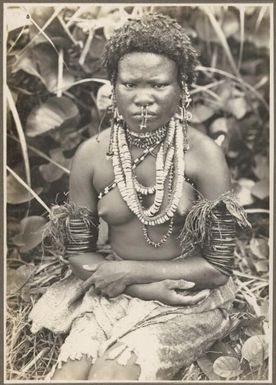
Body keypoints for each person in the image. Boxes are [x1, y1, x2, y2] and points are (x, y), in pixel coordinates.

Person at [29, 13, 250, 381]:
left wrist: (135, 270)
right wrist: (138, 285)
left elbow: (218, 267)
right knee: (70, 375)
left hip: (186, 299)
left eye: (159, 85)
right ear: (112, 87)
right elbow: (79, 255)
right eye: (130, 84)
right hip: (115, 291)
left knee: (108, 376)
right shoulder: (91, 155)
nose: (143, 98)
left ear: (183, 88)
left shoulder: (203, 155)